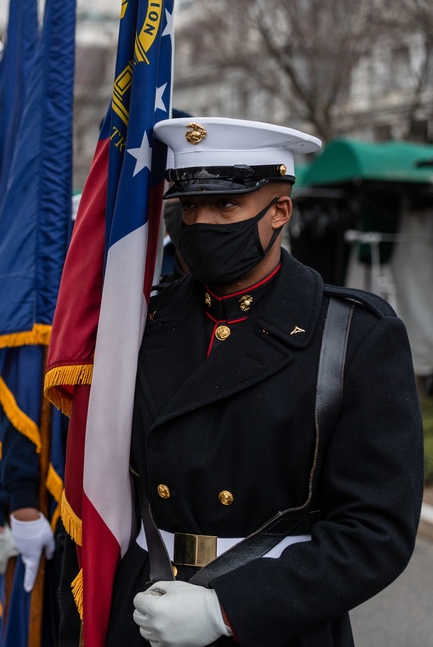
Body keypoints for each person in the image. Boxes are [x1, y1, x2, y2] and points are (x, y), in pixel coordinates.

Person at [106, 117, 424, 647]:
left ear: (280, 211)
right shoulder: (145, 322)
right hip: (145, 611)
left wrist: (226, 609)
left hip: (273, 623)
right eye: (189, 207)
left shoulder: (352, 334)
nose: (203, 223)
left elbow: (376, 530)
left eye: (226, 206)